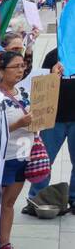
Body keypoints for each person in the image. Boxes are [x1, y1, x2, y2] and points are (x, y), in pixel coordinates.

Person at [0, 50, 36, 249]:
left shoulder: (22, 92)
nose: (20, 71)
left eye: (23, 66)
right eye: (15, 67)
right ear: (0, 71)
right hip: (3, 157)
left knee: (10, 202)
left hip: (22, 154)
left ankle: (5, 243)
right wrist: (18, 124)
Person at [27, 47, 75, 212]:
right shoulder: (54, 55)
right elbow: (40, 84)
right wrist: (52, 74)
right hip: (54, 118)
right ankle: (35, 198)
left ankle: (73, 198)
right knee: (44, 160)